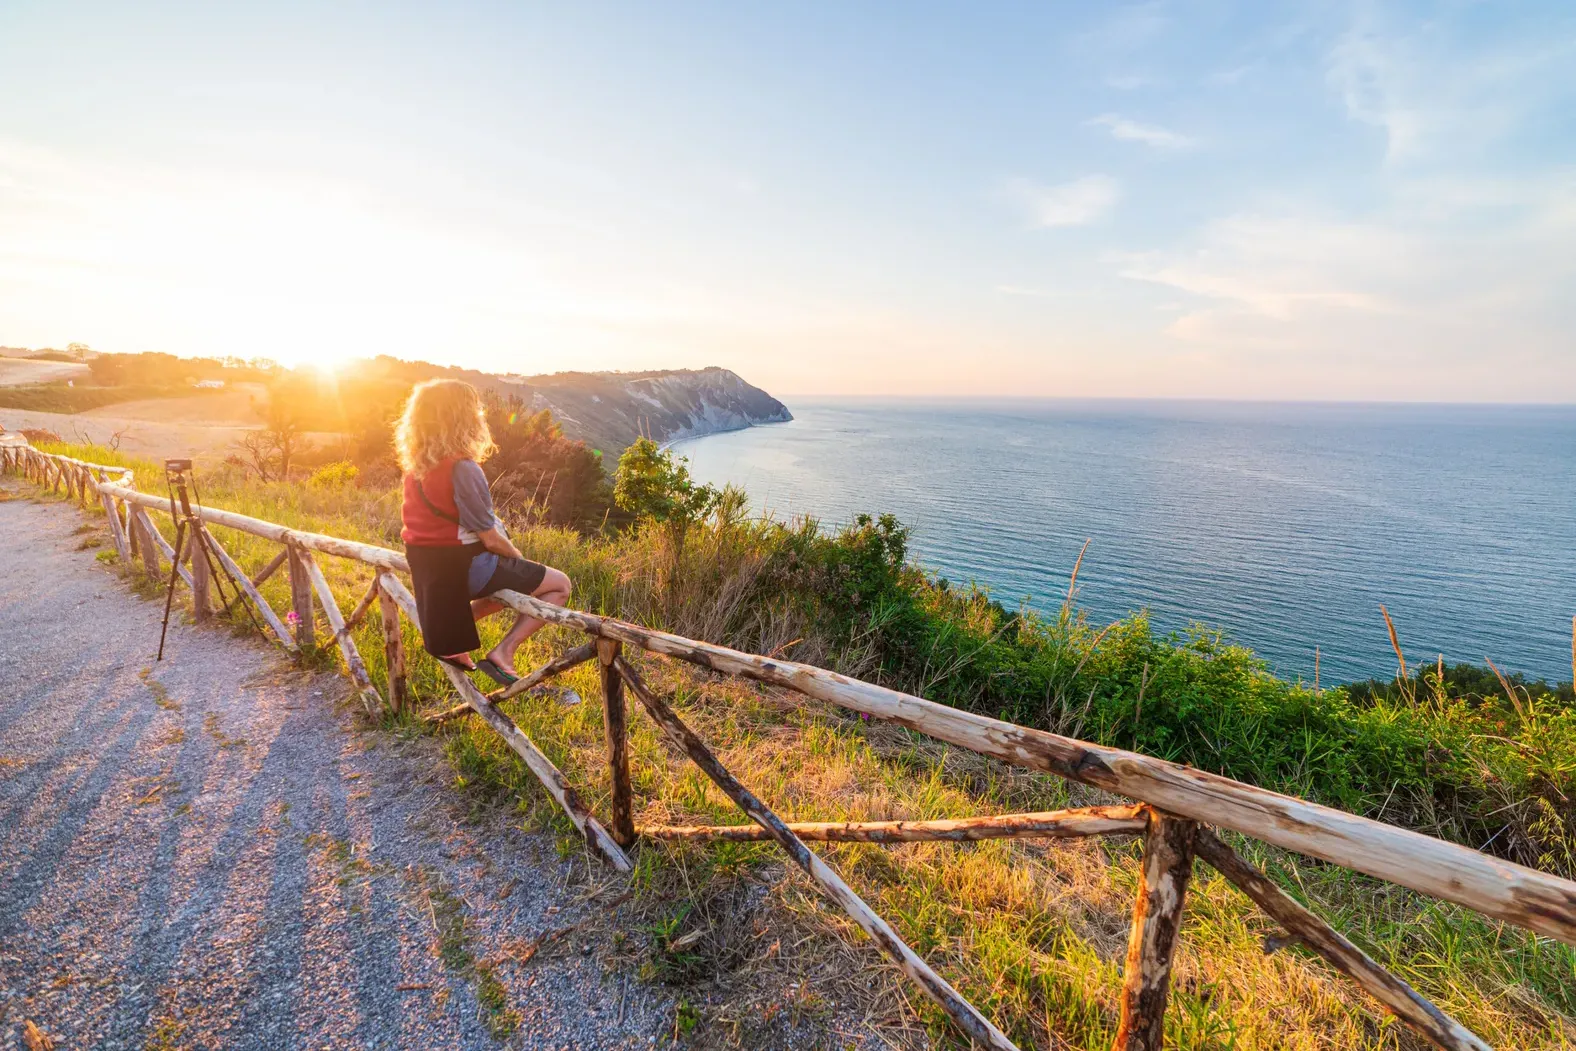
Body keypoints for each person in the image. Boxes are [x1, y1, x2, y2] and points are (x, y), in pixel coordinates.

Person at [396, 378, 571, 686]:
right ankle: (504, 652)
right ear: (464, 418)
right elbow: (489, 537)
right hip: (464, 568)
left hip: (429, 573)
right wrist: (518, 559)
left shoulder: (415, 470)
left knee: (513, 582)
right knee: (559, 585)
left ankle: (452, 630)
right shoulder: (462, 468)